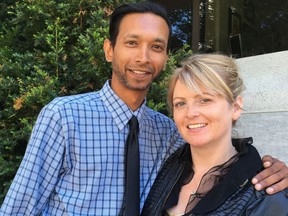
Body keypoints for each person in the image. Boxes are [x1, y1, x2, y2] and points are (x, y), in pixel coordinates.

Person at [1, 2, 288, 216]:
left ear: (164, 56)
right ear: (109, 49)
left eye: (156, 46)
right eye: (132, 43)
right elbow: (21, 205)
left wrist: (267, 167)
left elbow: (219, 150)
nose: (143, 57)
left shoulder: (170, 131)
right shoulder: (63, 116)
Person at [141, 53, 288, 216]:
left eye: (204, 100)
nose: (190, 113)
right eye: (180, 103)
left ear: (235, 107)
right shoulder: (168, 168)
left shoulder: (264, 195)